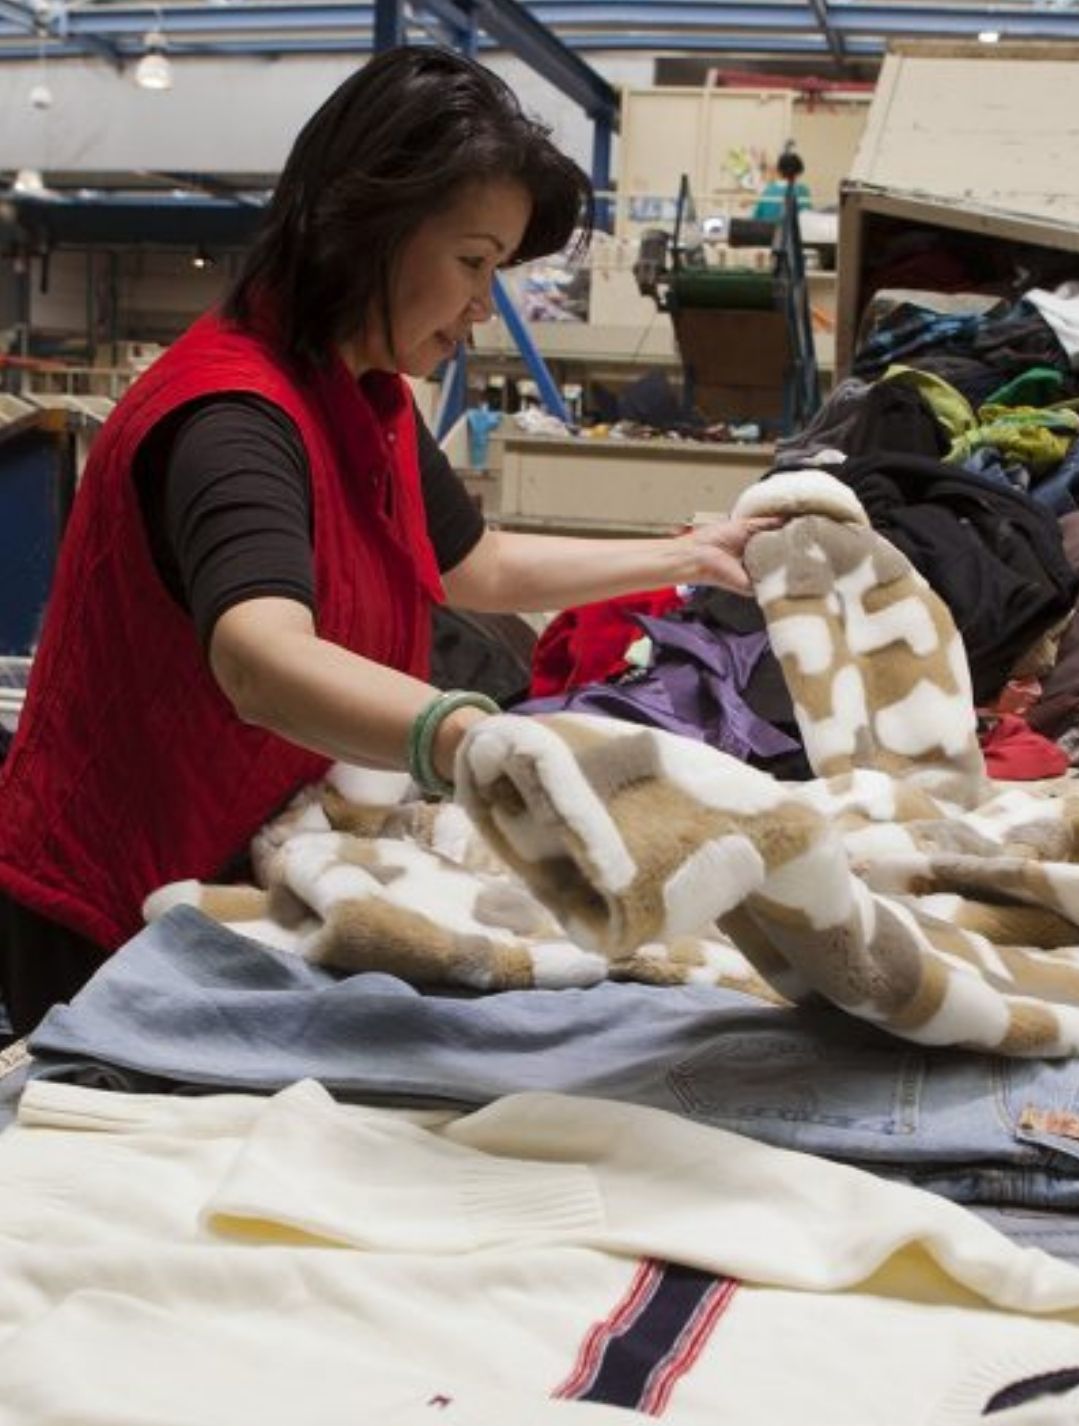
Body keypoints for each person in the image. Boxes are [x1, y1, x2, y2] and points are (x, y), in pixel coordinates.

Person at [0, 47, 779, 1037]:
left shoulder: (363, 396)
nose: (479, 306)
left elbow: (475, 566)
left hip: (231, 883)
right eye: (471, 262)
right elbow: (260, 659)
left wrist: (683, 555)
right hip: (113, 910)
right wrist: (464, 737)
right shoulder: (231, 419)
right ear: (366, 229)